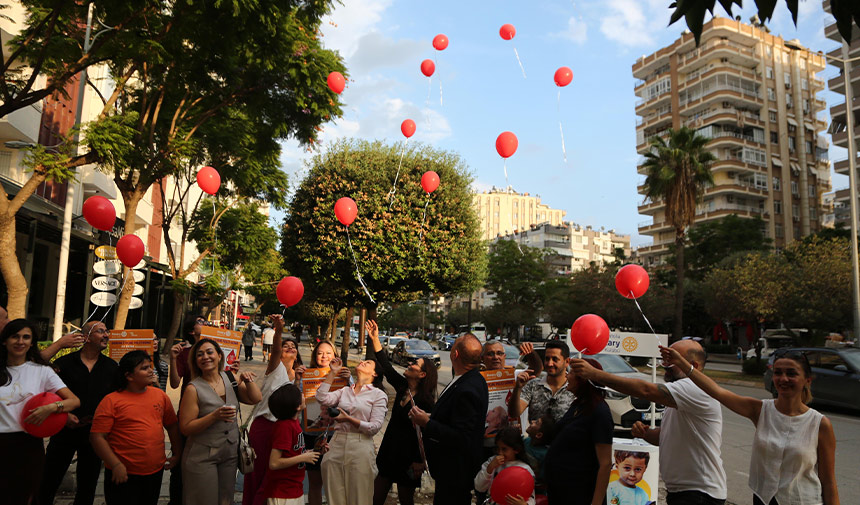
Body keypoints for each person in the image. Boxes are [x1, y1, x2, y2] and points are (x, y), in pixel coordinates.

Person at [659, 346, 839, 505]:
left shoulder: (820, 424)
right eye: (778, 373)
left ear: (807, 380)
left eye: (791, 373)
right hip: (763, 500)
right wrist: (682, 363)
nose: (783, 379)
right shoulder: (761, 410)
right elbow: (717, 391)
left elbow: (829, 482)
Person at [570, 338, 728, 505]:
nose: (664, 365)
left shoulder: (695, 388)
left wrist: (595, 374)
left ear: (693, 366)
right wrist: (646, 434)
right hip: (685, 492)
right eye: (664, 359)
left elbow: (645, 390)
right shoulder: (681, 392)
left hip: (700, 493)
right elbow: (666, 437)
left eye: (672, 360)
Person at [0, 319, 80, 505]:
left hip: (28, 445)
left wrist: (51, 408)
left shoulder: (42, 372)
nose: (20, 341)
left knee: (24, 497)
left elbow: (74, 401)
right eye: (15, 337)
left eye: (26, 337)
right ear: (4, 341)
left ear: (32, 343)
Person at [40, 321, 118, 505]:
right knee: (48, 481)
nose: (106, 335)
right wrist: (63, 415)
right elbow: (48, 393)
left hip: (95, 434)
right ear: (86, 337)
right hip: (64, 430)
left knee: (88, 485)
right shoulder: (64, 364)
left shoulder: (111, 367)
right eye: (101, 331)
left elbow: (116, 399)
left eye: (107, 331)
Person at [90, 350, 181, 505]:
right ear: (129, 376)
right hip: (123, 473)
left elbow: (172, 426)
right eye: (144, 368)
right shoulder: (111, 401)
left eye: (150, 366)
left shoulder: (160, 395)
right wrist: (115, 464)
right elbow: (97, 437)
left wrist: (177, 454)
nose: (151, 371)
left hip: (154, 472)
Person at [178, 338, 261, 505]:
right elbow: (186, 427)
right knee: (204, 501)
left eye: (210, 352)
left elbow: (255, 398)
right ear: (195, 361)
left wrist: (248, 381)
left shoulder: (230, 378)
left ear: (219, 356)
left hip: (229, 454)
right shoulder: (193, 388)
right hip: (202, 456)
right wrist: (213, 416)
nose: (205, 357)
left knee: (226, 500)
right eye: (200, 355)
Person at [408, 334, 489, 505]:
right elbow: (456, 417)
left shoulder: (468, 388)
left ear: (455, 354)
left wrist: (427, 423)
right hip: (450, 471)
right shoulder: (467, 379)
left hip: (455, 472)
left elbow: (461, 436)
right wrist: (431, 416)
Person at [366, 320, 437, 505]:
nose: (410, 363)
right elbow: (386, 366)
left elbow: (428, 434)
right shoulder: (402, 387)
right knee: (376, 497)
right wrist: (375, 339)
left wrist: (420, 461)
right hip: (388, 452)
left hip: (409, 459)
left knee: (406, 500)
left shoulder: (427, 402)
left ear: (422, 375)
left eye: (415, 364)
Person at [315, 355, 388, 505]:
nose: (362, 362)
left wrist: (348, 419)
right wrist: (332, 372)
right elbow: (321, 397)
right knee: (334, 498)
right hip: (336, 443)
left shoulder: (378, 395)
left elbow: (374, 427)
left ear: (375, 373)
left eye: (367, 362)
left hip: (360, 445)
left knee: (359, 498)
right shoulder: (344, 391)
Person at [544, 358, 613, 505]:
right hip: (562, 491)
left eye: (571, 373)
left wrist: (596, 503)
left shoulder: (599, 412)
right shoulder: (578, 405)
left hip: (581, 494)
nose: (567, 376)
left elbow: (605, 464)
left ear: (583, 379)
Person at [243, 315, 296, 505]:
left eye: (293, 346)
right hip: (264, 427)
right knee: (257, 475)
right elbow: (275, 350)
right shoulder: (275, 367)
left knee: (273, 477)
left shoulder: (298, 376)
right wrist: (278, 330)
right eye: (285, 346)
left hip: (284, 430)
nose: (289, 348)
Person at [294, 339, 342, 505]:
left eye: (328, 353)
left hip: (336, 436)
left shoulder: (343, 376)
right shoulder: (306, 375)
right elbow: (295, 403)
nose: (324, 356)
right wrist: (297, 380)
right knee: (315, 484)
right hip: (311, 435)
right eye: (320, 353)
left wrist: (349, 381)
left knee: (335, 484)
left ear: (335, 355)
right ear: (315, 356)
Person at [168, 315, 205, 505]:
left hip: (210, 415)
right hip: (188, 414)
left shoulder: (218, 351)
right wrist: (173, 359)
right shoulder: (184, 353)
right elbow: (175, 383)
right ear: (191, 331)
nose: (204, 324)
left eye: (205, 321)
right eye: (200, 322)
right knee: (180, 462)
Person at [263, 383, 319, 505]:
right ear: (297, 406)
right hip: (283, 492)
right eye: (300, 395)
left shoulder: (293, 423)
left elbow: (292, 453)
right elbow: (274, 463)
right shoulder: (284, 427)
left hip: (294, 488)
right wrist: (303, 457)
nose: (303, 395)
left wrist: (310, 453)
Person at [509, 340, 575, 423]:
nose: (550, 363)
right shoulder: (533, 385)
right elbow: (514, 413)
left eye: (555, 359)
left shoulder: (575, 388)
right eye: (547, 359)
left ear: (567, 362)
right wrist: (518, 388)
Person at [474, 427, 536, 505]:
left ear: (516, 449)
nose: (500, 453)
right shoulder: (492, 462)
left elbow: (531, 497)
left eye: (504, 449)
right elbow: (479, 487)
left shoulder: (525, 469)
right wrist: (490, 468)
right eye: (498, 448)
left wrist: (524, 504)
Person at [524, 414, 556, 490]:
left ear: (538, 435)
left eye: (536, 422)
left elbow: (543, 481)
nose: (532, 421)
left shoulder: (544, 455)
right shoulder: (526, 441)